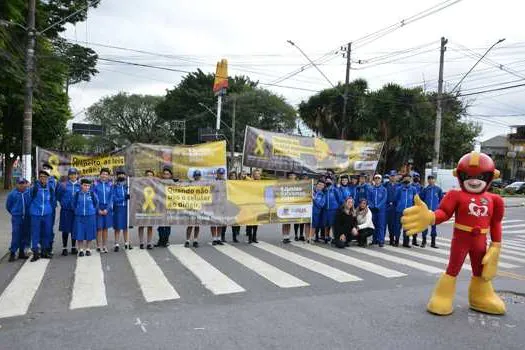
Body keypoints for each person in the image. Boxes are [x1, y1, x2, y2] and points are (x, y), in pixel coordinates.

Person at [402, 151, 506, 316]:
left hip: (481, 241)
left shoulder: (495, 200)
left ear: (491, 177)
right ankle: (442, 296)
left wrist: (496, 245)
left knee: (480, 270)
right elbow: (444, 213)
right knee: (453, 267)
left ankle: (481, 296)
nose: (474, 180)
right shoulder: (455, 195)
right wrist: (430, 217)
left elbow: (495, 223)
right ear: (459, 176)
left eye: (481, 176)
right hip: (461, 240)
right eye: (468, 176)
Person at [29, 170, 55, 261]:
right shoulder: (35, 187)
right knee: (35, 233)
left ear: (48, 178)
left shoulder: (50, 187)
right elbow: (29, 199)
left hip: (47, 214)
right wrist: (32, 210)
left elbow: (52, 200)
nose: (43, 178)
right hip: (36, 214)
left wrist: (50, 209)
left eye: (45, 177)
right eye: (41, 176)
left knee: (46, 233)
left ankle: (44, 251)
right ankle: (35, 253)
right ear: (39, 178)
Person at [56, 168, 80, 256]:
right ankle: (64, 247)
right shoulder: (64, 185)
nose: (73, 176)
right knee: (65, 229)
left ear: (77, 175)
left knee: (74, 229)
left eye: (75, 174)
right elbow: (58, 195)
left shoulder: (79, 185)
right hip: (66, 210)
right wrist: (63, 203)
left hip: (75, 211)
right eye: (71, 174)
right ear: (69, 175)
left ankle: (73, 247)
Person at [6, 178, 31, 261]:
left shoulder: (28, 192)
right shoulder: (12, 194)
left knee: (25, 234)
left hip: (26, 217)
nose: (22, 185)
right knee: (16, 234)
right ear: (16, 184)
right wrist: (14, 212)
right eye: (20, 183)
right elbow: (8, 206)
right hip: (17, 217)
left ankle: (21, 252)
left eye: (23, 183)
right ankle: (12, 252)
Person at [73, 179, 99, 257]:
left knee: (89, 233)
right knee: (79, 233)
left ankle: (88, 249)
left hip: (90, 216)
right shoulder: (77, 194)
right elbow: (73, 204)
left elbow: (96, 203)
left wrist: (93, 210)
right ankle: (80, 249)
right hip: (79, 216)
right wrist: (77, 210)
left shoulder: (92, 194)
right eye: (85, 185)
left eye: (88, 185)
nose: (86, 187)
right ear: (81, 185)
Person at [419, 175, 444, 248]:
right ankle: (424, 241)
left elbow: (442, 199)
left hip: (434, 212)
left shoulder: (438, 189)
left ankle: (433, 242)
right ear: (428, 180)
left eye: (432, 179)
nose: (431, 180)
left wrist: (439, 207)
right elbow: (421, 199)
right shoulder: (425, 189)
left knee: (434, 227)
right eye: (429, 179)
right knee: (424, 227)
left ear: (435, 180)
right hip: (426, 211)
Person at [395, 174, 417, 247]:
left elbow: (415, 200)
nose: (407, 180)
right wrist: (398, 206)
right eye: (406, 178)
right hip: (400, 211)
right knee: (398, 226)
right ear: (403, 179)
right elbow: (396, 199)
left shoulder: (413, 189)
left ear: (410, 179)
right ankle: (396, 241)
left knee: (407, 227)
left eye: (408, 178)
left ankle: (406, 242)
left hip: (409, 211)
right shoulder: (399, 188)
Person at [94, 168, 113, 253]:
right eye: (103, 174)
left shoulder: (110, 185)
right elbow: (94, 197)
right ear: (100, 174)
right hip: (99, 208)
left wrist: (107, 209)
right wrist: (98, 209)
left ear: (108, 176)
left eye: (106, 174)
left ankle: (104, 246)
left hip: (107, 209)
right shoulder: (95, 184)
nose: (104, 175)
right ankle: (98, 246)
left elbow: (111, 198)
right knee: (99, 228)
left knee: (105, 228)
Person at [112, 169, 132, 251]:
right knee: (117, 227)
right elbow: (114, 199)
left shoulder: (127, 186)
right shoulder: (114, 186)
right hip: (118, 208)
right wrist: (124, 198)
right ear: (117, 176)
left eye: (123, 174)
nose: (121, 176)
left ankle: (126, 242)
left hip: (126, 208)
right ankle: (116, 244)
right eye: (119, 175)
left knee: (125, 227)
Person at [42, 162, 58, 253]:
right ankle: (42, 247)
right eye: (44, 168)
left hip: (50, 208)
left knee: (49, 228)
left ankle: (49, 247)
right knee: (41, 228)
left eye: (47, 168)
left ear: (50, 171)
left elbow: (58, 193)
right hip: (40, 209)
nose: (45, 169)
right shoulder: (38, 181)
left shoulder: (53, 181)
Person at [157, 167, 175, 247]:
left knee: (167, 225)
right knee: (160, 224)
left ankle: (166, 240)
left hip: (169, 206)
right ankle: (160, 240)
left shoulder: (173, 183)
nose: (166, 175)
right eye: (164, 174)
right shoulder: (159, 183)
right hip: (160, 206)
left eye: (167, 174)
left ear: (170, 175)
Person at [368, 174, 387, 247]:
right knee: (373, 225)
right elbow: (368, 198)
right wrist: (372, 206)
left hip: (380, 210)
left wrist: (378, 206)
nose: (377, 180)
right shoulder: (371, 189)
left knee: (381, 225)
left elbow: (384, 199)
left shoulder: (383, 189)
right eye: (376, 178)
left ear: (381, 180)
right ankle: (374, 240)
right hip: (373, 210)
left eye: (378, 178)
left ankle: (381, 240)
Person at [185, 170, 202, 248]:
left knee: (197, 225)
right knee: (190, 225)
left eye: (198, 175)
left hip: (199, 206)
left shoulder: (203, 184)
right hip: (191, 206)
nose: (197, 176)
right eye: (196, 175)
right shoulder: (190, 183)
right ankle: (187, 240)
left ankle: (195, 240)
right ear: (194, 176)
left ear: (200, 176)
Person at [138, 169, 155, 249]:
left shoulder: (156, 185)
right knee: (141, 225)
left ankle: (149, 242)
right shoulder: (141, 185)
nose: (149, 177)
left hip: (151, 207)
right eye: (148, 175)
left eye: (151, 175)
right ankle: (141, 242)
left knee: (150, 225)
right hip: (142, 207)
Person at [246, 169, 261, 244]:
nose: (257, 175)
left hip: (257, 204)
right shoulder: (250, 182)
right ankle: (250, 237)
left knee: (256, 222)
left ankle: (254, 236)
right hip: (250, 204)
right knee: (250, 221)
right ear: (253, 175)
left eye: (258, 174)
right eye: (255, 174)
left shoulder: (261, 183)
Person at [281, 171, 297, 244]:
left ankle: (288, 236)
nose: (291, 177)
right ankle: (284, 236)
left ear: (295, 176)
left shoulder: (299, 184)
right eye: (290, 175)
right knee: (285, 221)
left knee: (289, 221)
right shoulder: (285, 184)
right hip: (286, 205)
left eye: (293, 175)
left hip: (293, 205)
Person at [322, 176, 339, 243]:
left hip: (333, 209)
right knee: (326, 224)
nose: (328, 181)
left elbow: (338, 199)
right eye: (327, 180)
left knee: (333, 224)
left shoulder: (335, 189)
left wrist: (337, 207)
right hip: (326, 209)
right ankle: (326, 237)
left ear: (332, 181)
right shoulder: (324, 190)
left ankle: (334, 237)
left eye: (329, 180)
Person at [384, 170, 399, 246]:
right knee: (384, 223)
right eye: (391, 176)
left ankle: (392, 239)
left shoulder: (399, 186)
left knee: (393, 224)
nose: (392, 177)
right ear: (389, 177)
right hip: (386, 206)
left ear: (396, 177)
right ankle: (380, 239)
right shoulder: (385, 185)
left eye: (394, 176)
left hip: (395, 206)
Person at [228, 171, 240, 243]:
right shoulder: (227, 183)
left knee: (235, 222)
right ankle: (222, 236)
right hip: (228, 204)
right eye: (232, 176)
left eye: (234, 176)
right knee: (225, 220)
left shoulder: (238, 184)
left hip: (235, 204)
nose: (233, 177)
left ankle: (234, 237)